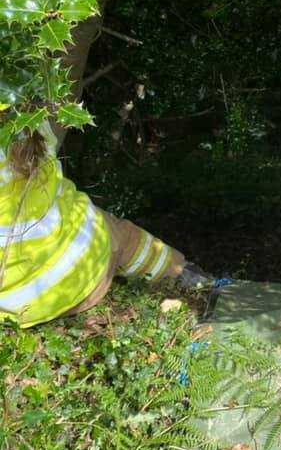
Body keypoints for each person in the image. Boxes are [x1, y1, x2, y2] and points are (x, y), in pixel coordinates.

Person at [0, 118, 212, 328]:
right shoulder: (28, 125)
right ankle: (182, 274)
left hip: (19, 310)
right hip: (87, 275)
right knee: (121, 234)